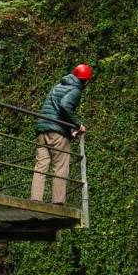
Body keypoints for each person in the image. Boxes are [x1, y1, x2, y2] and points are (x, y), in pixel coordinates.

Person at [31, 63, 90, 204]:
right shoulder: (75, 90)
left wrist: (71, 133)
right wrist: (78, 125)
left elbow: (56, 109)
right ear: (85, 81)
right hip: (57, 132)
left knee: (41, 166)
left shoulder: (58, 86)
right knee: (61, 166)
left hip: (42, 129)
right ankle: (58, 201)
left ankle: (35, 199)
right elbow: (64, 106)